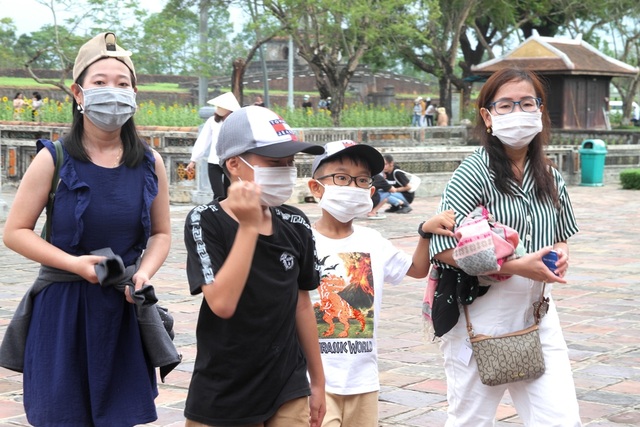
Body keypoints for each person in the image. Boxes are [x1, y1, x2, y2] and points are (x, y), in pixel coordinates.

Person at [0, 32, 173, 426]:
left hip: (122, 308)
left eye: (122, 83)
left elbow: (162, 233)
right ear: (78, 93)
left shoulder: (150, 163)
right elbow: (16, 231)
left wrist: (143, 274)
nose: (113, 91)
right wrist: (75, 265)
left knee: (119, 415)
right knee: (61, 414)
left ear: (135, 95)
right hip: (62, 309)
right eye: (100, 83)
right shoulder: (53, 159)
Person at [429, 68, 582, 426]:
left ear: (540, 112)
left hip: (538, 311)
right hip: (482, 311)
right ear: (487, 115)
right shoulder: (474, 171)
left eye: (527, 103)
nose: (518, 112)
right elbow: (441, 247)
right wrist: (515, 266)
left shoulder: (549, 173)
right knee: (472, 419)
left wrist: (561, 253)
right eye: (506, 105)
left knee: (558, 417)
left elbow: (561, 233)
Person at [183, 105, 327, 426]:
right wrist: (249, 227)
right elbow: (221, 302)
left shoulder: (294, 221)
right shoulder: (206, 221)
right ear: (235, 164)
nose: (286, 171)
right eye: (275, 163)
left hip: (287, 381)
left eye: (290, 163)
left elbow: (302, 304)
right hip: (226, 387)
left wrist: (316, 381)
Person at [307, 140, 455, 427]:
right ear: (316, 188)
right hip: (316, 380)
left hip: (363, 380)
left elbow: (416, 269)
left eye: (362, 180)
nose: (352, 187)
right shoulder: (302, 240)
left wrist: (424, 232)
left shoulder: (372, 241)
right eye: (341, 178)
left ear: (371, 192)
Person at [186, 92, 241, 201]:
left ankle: (229, 216)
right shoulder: (212, 121)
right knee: (218, 194)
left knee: (230, 193)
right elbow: (203, 141)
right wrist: (193, 160)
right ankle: (219, 216)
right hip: (214, 162)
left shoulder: (237, 122)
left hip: (231, 162)